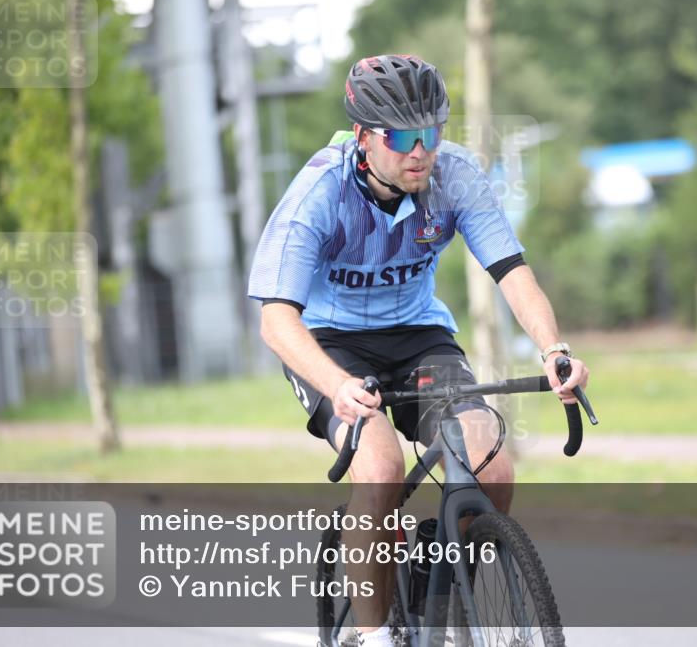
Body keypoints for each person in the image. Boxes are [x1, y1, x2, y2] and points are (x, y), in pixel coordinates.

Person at [248, 54, 589, 646]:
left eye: (432, 133)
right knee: (380, 471)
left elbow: (512, 272)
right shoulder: (319, 194)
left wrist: (552, 349)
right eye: (403, 137)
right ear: (363, 137)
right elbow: (276, 321)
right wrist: (336, 386)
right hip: (332, 344)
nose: (420, 151)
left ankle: (448, 577)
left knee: (494, 469)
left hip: (418, 335)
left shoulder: (454, 175)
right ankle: (378, 635)